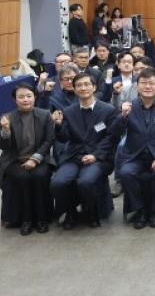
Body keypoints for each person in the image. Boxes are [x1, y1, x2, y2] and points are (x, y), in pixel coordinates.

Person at [113, 68, 155, 229]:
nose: (147, 86)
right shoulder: (129, 106)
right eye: (143, 83)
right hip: (134, 156)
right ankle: (140, 210)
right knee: (126, 173)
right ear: (137, 86)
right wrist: (123, 115)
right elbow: (114, 132)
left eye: (151, 83)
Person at [50, 73, 118, 229]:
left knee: (86, 182)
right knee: (58, 183)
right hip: (74, 156)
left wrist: (95, 155)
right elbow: (64, 138)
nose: (83, 88)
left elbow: (111, 138)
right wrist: (58, 125)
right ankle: (71, 212)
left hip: (98, 156)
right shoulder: (68, 111)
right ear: (74, 89)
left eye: (87, 84)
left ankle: (91, 212)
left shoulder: (108, 110)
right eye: (79, 85)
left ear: (94, 87)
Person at [0, 84, 55, 235]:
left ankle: (42, 219)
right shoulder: (7, 117)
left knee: (39, 176)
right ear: (14, 100)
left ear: (35, 97)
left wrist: (35, 159)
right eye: (21, 97)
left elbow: (48, 141)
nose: (25, 99)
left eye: (29, 96)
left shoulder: (45, 115)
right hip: (14, 159)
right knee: (22, 177)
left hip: (40, 158)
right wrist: (5, 130)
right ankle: (26, 219)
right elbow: (4, 147)